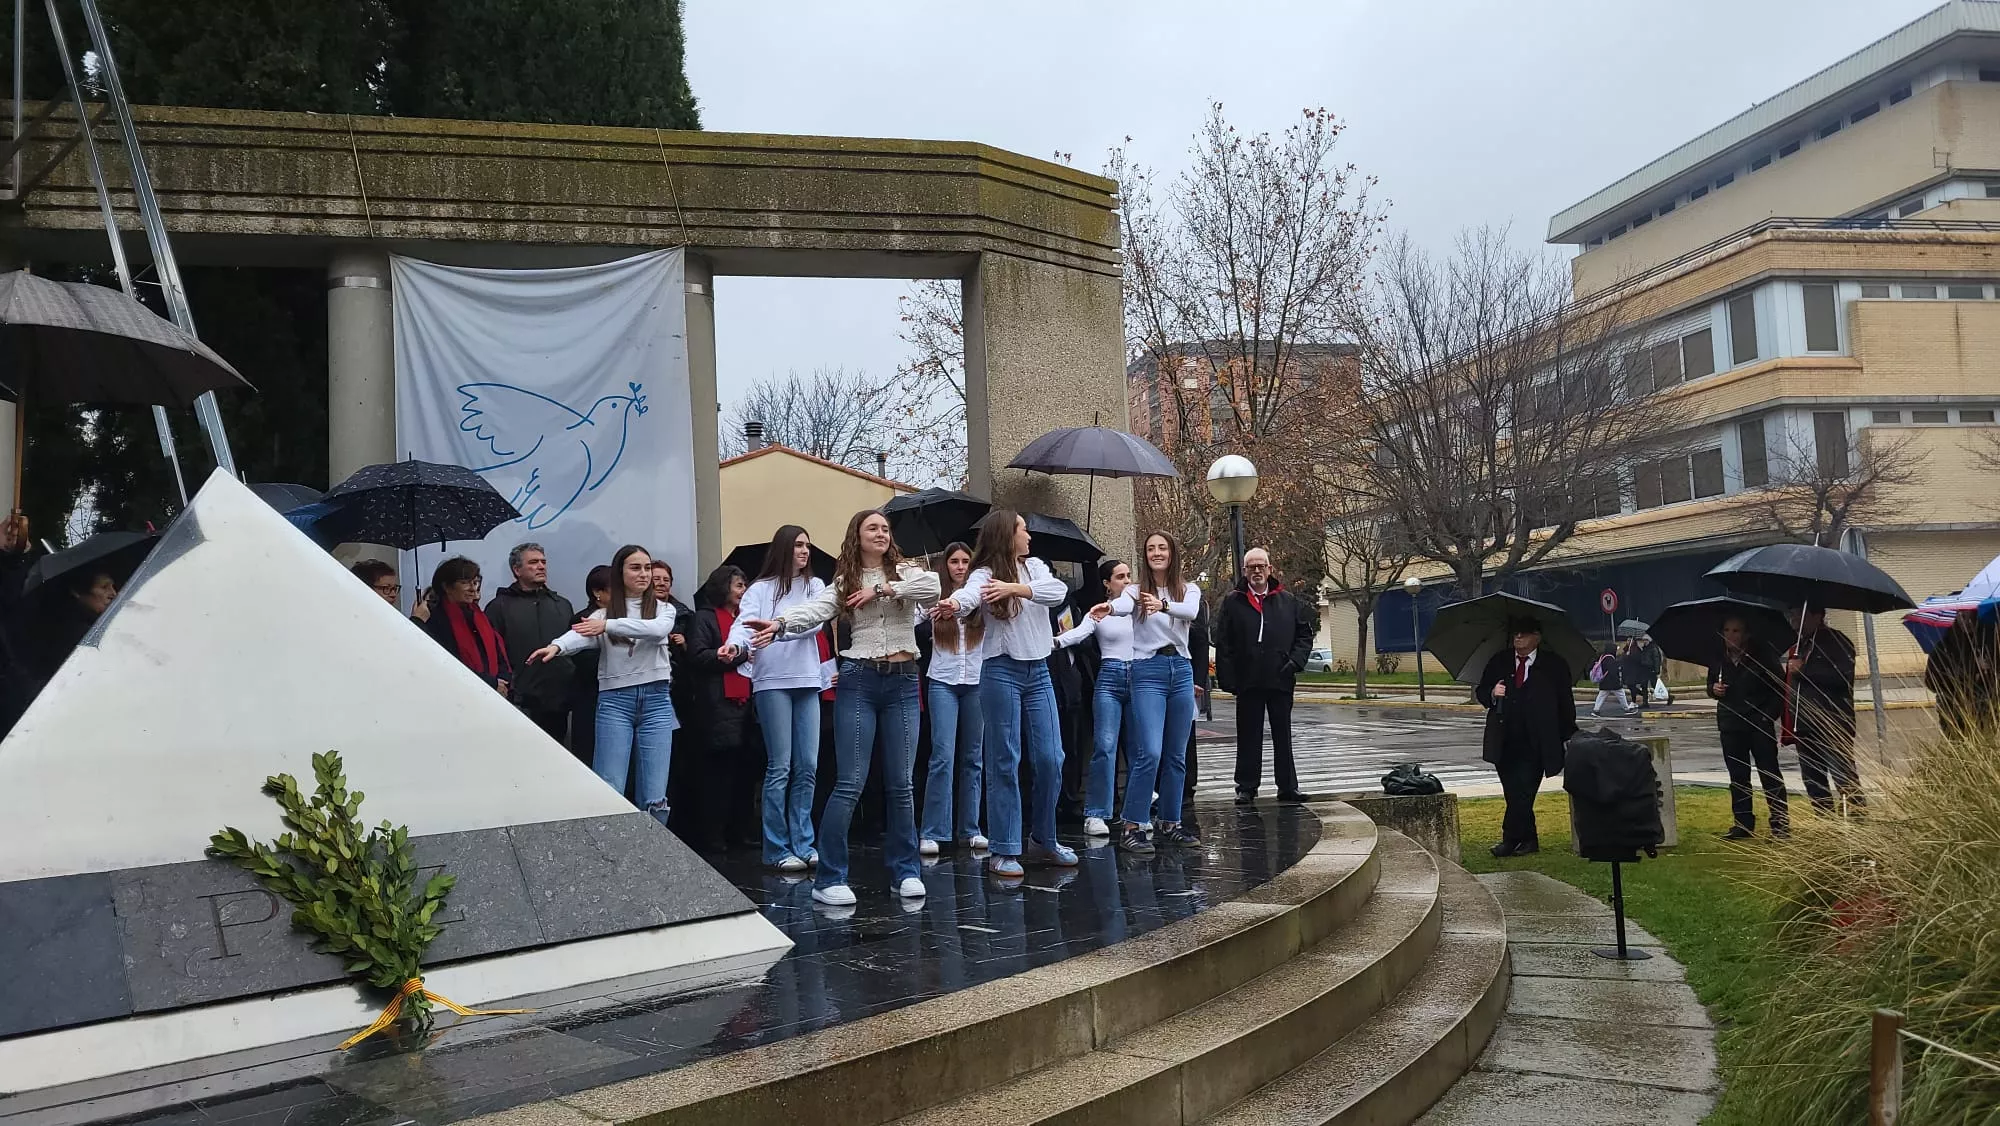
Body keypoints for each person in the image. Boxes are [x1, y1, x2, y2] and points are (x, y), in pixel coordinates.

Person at [742, 509, 940, 906]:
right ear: (858, 536)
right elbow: (814, 611)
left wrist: (883, 590)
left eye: (885, 528)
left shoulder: (907, 571)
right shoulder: (844, 581)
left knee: (901, 783)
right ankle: (830, 877)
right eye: (873, 528)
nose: (881, 533)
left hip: (902, 679)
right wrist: (779, 624)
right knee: (850, 781)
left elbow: (933, 588)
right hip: (860, 680)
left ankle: (906, 872)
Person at [939, 508, 1076, 878]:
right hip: (1001, 671)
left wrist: (1016, 587)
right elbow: (968, 595)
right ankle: (1004, 847)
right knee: (1004, 758)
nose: (1029, 537)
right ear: (1006, 535)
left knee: (1051, 757)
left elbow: (1057, 592)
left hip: (1039, 671)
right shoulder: (983, 574)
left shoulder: (1036, 568)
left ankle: (1044, 838)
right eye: (1023, 531)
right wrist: (953, 604)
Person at [530, 545, 679, 825]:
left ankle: (653, 859)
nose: (645, 574)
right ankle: (612, 861)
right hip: (615, 703)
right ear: (619, 573)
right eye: (636, 568)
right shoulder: (602, 615)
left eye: (647, 568)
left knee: (656, 795)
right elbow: (578, 636)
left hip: (657, 702)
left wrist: (607, 626)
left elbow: (657, 630)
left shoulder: (664, 609)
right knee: (610, 786)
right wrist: (556, 646)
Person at [730, 525, 830, 871]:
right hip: (771, 681)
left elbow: (816, 624)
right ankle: (776, 848)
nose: (804, 551)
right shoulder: (760, 589)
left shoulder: (815, 586)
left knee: (809, 766)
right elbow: (744, 624)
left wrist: (777, 630)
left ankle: (804, 842)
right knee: (781, 766)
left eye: (807, 545)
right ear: (784, 548)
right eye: (798, 545)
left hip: (807, 680)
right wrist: (736, 645)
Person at [1114, 532, 1203, 847]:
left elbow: (1190, 612)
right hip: (1147, 671)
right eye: (1151, 548)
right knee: (1149, 751)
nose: (1156, 553)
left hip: (1179, 669)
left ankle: (1170, 821)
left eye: (1162, 547)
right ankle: (1132, 826)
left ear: (1172, 552)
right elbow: (1123, 605)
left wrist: (1163, 604)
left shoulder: (1188, 589)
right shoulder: (1136, 591)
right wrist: (1108, 609)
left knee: (1176, 755)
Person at [1056, 557, 1144, 851]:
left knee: (1138, 748)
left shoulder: (1138, 607)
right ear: (1107, 583)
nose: (1127, 580)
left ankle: (1137, 812)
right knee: (1105, 746)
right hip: (1110, 675)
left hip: (1139, 677)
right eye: (1120, 577)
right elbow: (1079, 633)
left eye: (1129, 575)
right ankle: (1096, 813)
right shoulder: (1099, 612)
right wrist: (1054, 642)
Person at [1213, 547, 1314, 805]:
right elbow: (1223, 641)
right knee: (1248, 734)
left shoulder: (1288, 601)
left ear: (1270, 569)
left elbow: (1304, 635)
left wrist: (1294, 663)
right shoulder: (1233, 602)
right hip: (1248, 680)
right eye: (1251, 567)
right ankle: (1246, 787)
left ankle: (1288, 786)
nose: (1257, 571)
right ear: (1245, 571)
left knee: (1283, 734)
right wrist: (1228, 678)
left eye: (1261, 566)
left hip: (1280, 678)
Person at [1474, 618, 1577, 857]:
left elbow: (1565, 704)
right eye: (1515, 634)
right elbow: (1481, 691)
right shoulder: (1500, 662)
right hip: (1505, 739)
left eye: (1524, 634)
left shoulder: (1553, 665)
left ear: (1537, 637)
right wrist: (1492, 693)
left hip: (1537, 741)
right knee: (1512, 791)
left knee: (1524, 791)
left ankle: (1510, 839)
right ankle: (1529, 840)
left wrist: (1568, 734)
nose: (1518, 638)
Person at [684, 565, 761, 852]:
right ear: (723, 587)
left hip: (749, 706)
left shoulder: (749, 619)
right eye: (739, 586)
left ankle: (740, 831)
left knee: (746, 773)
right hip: (718, 704)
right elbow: (698, 656)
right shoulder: (704, 618)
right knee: (718, 775)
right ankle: (714, 835)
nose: (744, 592)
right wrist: (734, 657)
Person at [921, 542, 988, 855]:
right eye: (954, 562)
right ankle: (934, 830)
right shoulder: (934, 595)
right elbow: (910, 619)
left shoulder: (981, 596)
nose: (960, 567)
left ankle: (970, 829)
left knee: (973, 757)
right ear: (945, 565)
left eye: (965, 561)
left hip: (976, 681)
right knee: (942, 756)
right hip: (943, 681)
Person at [485, 543, 577, 742]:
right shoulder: (498, 607)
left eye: (543, 562)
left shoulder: (561, 604)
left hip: (557, 701)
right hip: (518, 701)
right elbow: (492, 653)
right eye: (533, 562)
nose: (541, 566)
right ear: (516, 570)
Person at [1708, 616, 1789, 840]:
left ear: (1746, 635)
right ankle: (1742, 823)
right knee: (1738, 776)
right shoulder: (1719, 658)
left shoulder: (1763, 656)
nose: (1730, 636)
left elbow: (1779, 689)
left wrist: (1766, 717)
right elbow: (1710, 685)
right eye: (1726, 630)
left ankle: (1780, 822)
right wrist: (1714, 689)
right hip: (1731, 724)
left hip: (1758, 724)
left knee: (1769, 773)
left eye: (1736, 631)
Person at [1784, 605, 1862, 814]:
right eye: (1791, 615)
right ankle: (1824, 819)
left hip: (1831, 721)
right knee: (1813, 779)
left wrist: (1805, 670)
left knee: (1842, 773)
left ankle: (1854, 816)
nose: (1793, 619)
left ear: (1817, 615)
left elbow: (1842, 679)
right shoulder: (1801, 645)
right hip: (1804, 723)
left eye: (1798, 615)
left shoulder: (1836, 642)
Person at [418, 557, 510, 695]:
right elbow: (447, 663)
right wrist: (490, 683)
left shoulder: (479, 615)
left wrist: (502, 681)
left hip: (493, 694)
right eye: (465, 583)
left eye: (475, 582)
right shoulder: (434, 617)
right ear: (447, 586)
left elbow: (499, 654)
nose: (473, 589)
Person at [566, 565, 615, 767]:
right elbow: (585, 661)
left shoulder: (625, 619)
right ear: (598, 592)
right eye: (615, 589)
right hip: (592, 699)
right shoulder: (583, 619)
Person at [1925, 608, 1999, 738]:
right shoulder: (1943, 647)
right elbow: (1931, 681)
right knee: (1959, 744)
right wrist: (1966, 676)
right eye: (1962, 615)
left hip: (1985, 711)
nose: (1967, 621)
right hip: (1954, 711)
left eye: (1971, 615)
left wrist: (1989, 669)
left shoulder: (1989, 641)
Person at [1588, 642, 1627, 718]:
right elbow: (1612, 669)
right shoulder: (1610, 658)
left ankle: (1596, 710)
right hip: (1611, 681)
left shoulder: (1603, 656)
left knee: (1602, 695)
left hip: (1605, 681)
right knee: (1621, 693)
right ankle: (1626, 708)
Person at [1630, 633, 1668, 707]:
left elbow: (1656, 659)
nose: (1644, 641)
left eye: (1645, 640)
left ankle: (1669, 697)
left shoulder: (1653, 648)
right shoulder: (1644, 648)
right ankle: (1645, 702)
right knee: (1644, 686)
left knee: (1655, 685)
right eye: (1643, 640)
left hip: (1651, 669)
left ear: (1649, 640)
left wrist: (1656, 670)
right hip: (1644, 670)